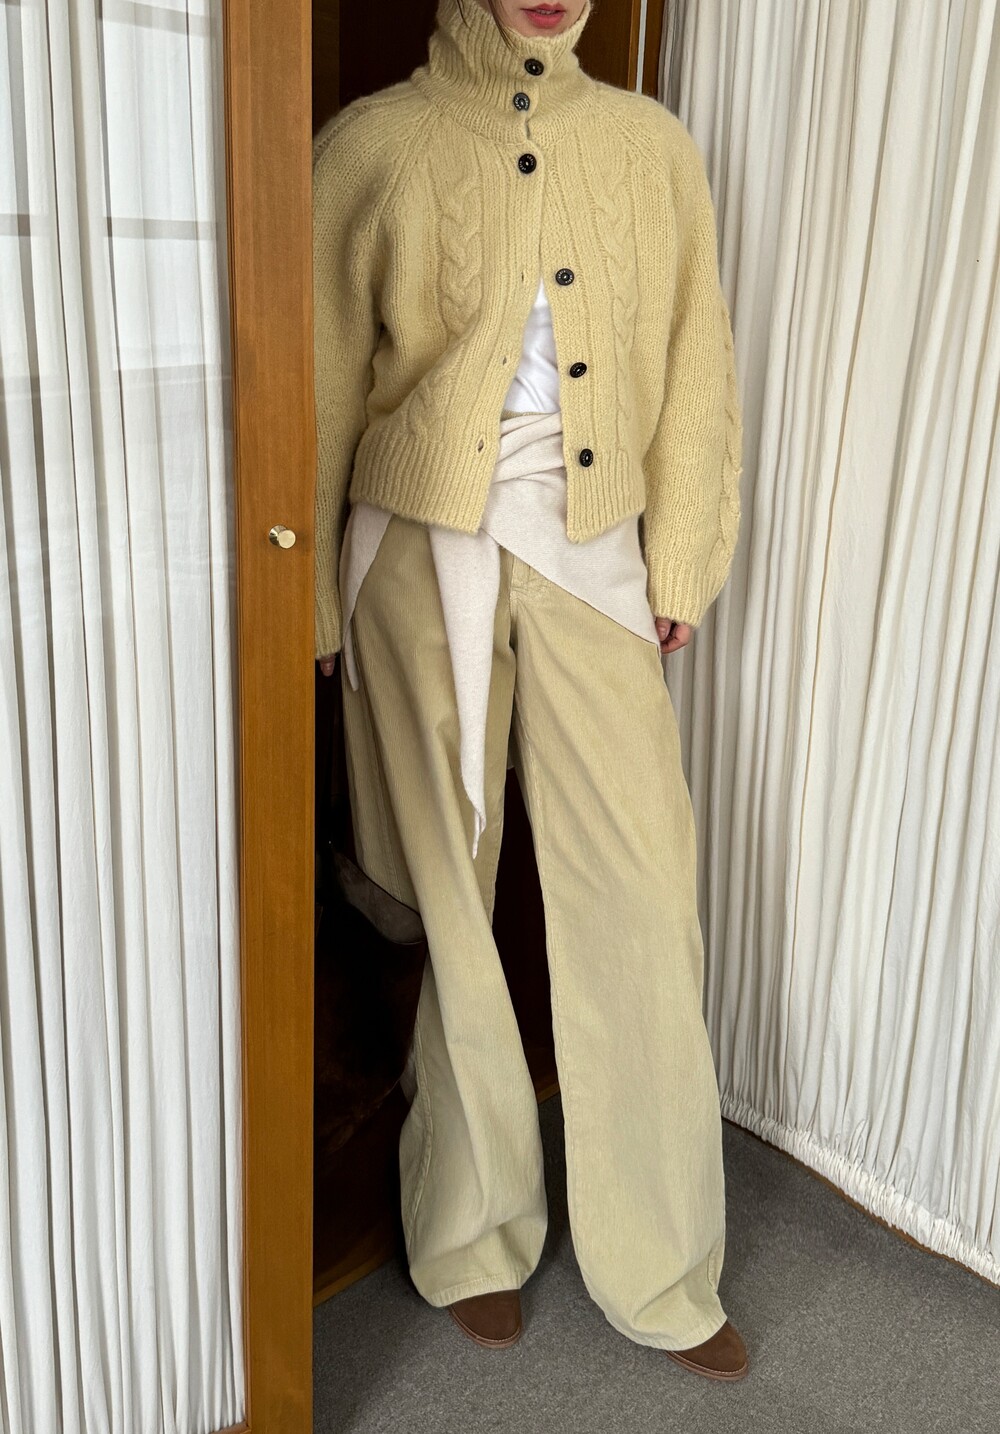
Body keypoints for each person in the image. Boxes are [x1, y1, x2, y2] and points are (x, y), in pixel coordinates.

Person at [313, 0, 747, 1382]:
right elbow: (316, 381)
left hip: (591, 540)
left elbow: (697, 361)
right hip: (412, 547)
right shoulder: (371, 143)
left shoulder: (650, 147)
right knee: (454, 888)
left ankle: (663, 1259)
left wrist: (684, 552)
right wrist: (308, 596)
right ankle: (470, 1227)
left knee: (641, 887)